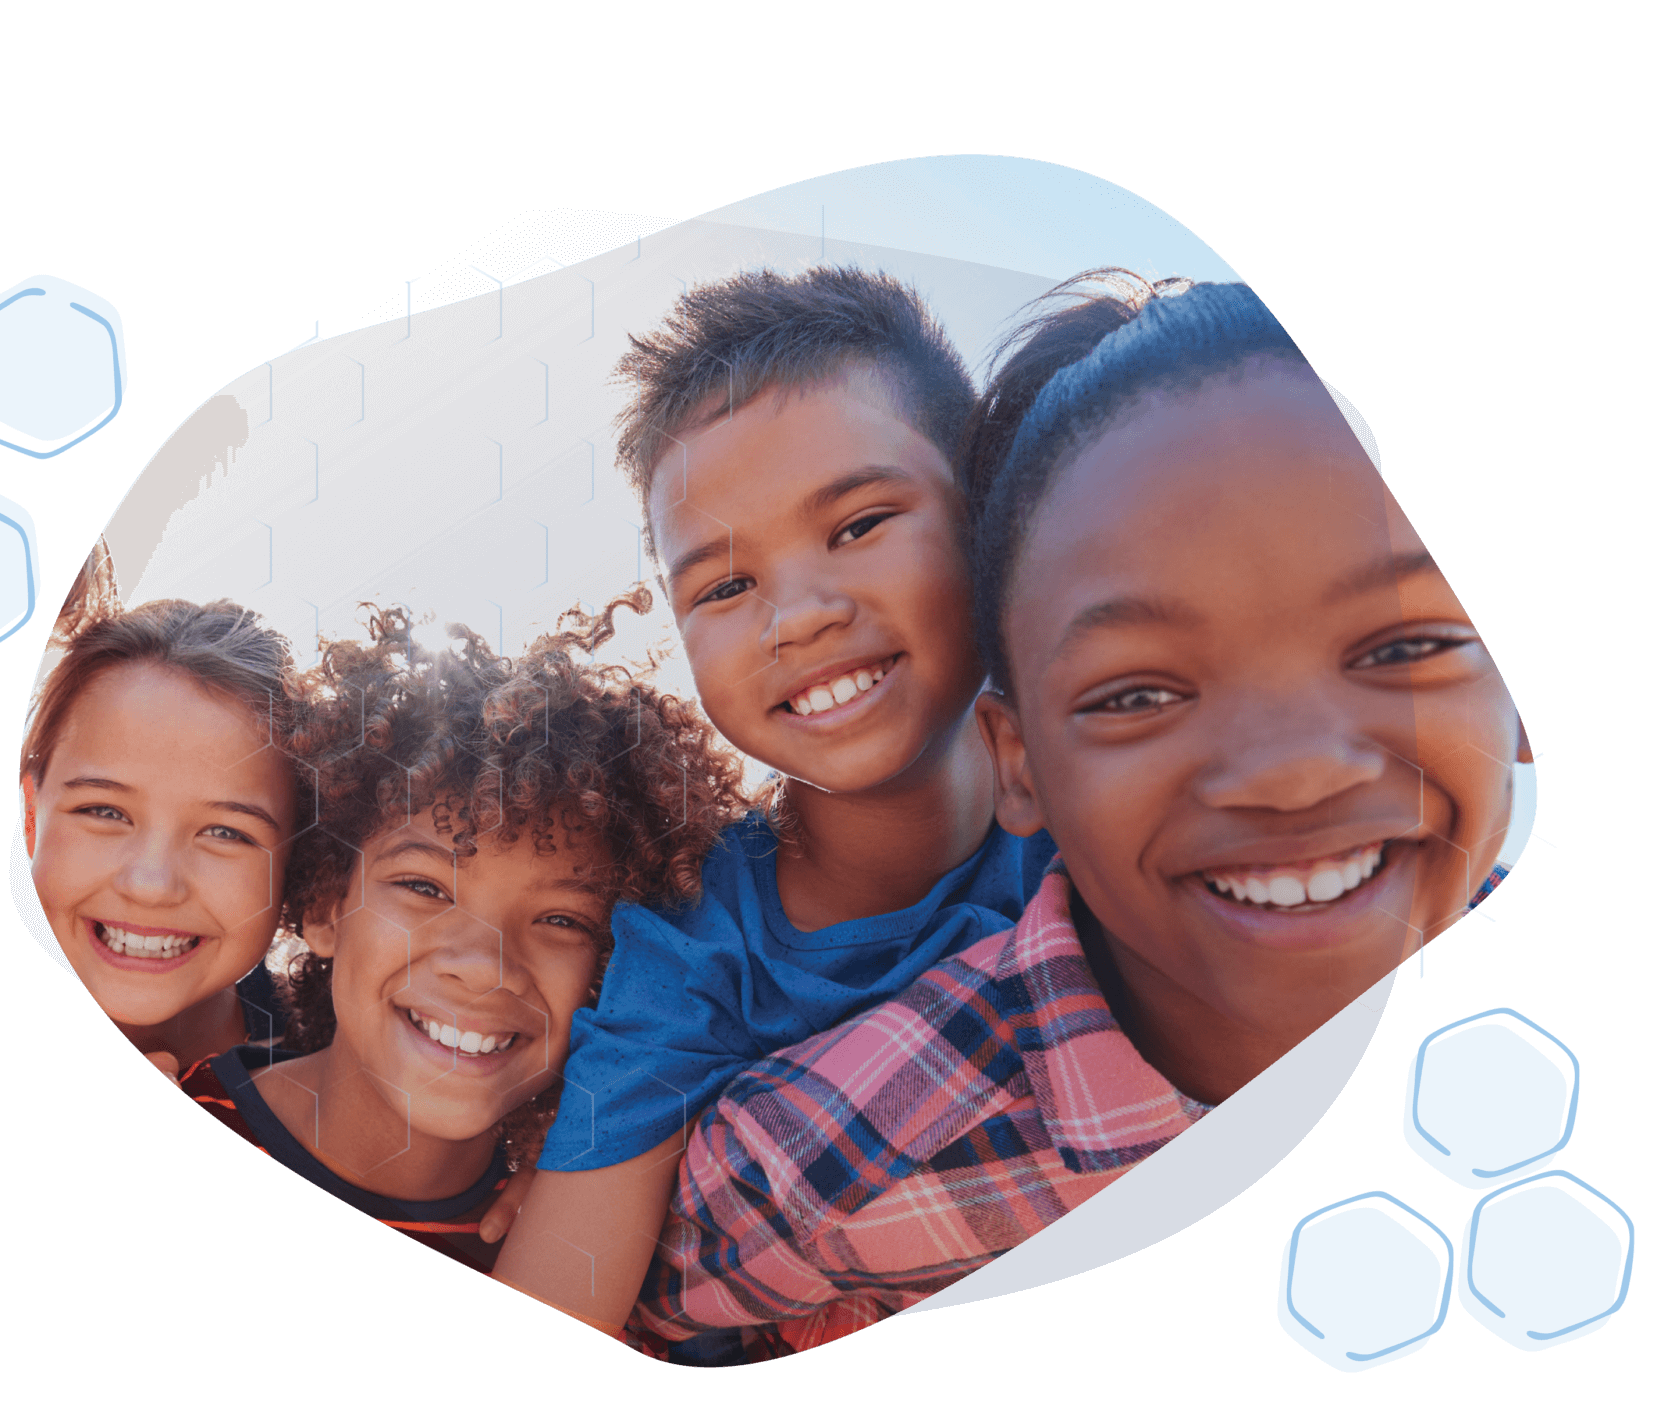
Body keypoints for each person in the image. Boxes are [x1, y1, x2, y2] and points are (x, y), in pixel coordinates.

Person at [626, 271, 1527, 1359]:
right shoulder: (808, 1131)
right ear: (1027, 765)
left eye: (1399, 645)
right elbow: (655, 1285)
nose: (1296, 776)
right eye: (1137, 694)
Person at [493, 267, 1057, 1331]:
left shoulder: (1104, 783)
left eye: (857, 523)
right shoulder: (692, 947)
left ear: (986, 512)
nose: (794, 617)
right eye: (723, 585)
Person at [183, 596, 752, 1272]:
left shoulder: (562, 1254)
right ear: (324, 906)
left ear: (609, 973)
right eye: (424, 888)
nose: (484, 965)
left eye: (562, 921)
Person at [20, 541, 305, 1074]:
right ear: (33, 816)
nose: (150, 884)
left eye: (225, 832)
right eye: (104, 812)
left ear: (296, 866)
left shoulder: (341, 1073)